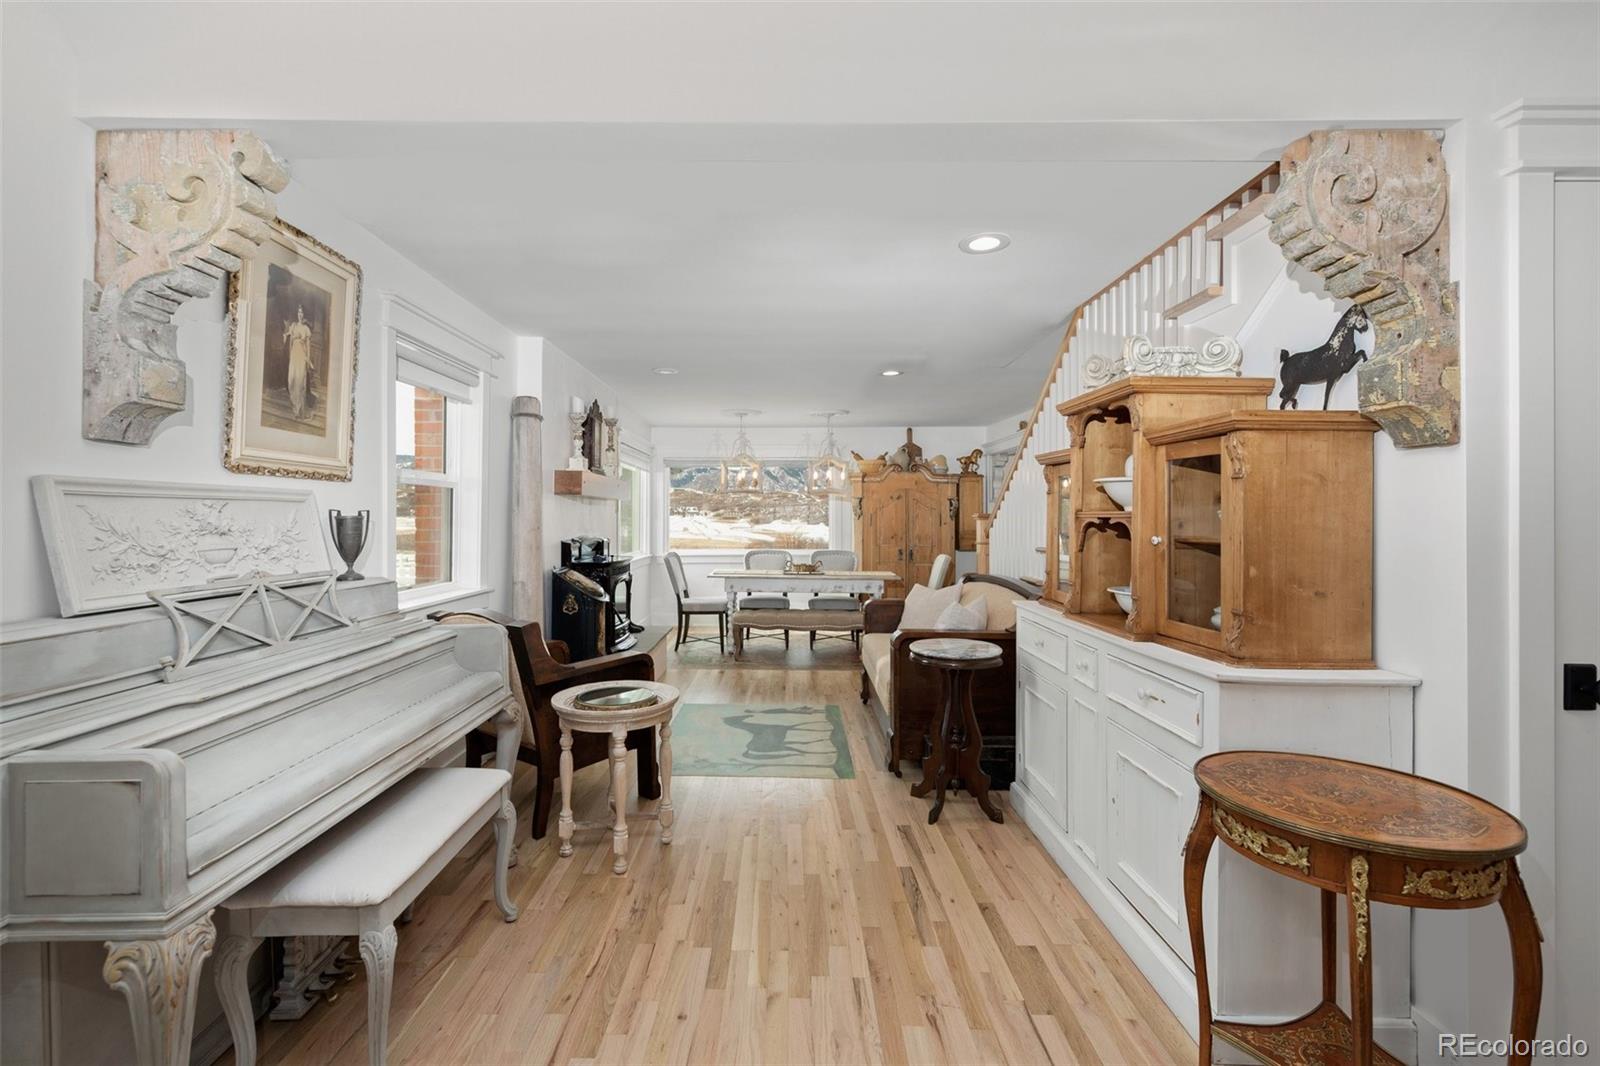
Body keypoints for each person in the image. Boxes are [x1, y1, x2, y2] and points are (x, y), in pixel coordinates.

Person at [282, 305, 314, 419]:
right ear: (297, 314)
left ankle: (298, 411)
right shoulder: (293, 326)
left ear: (304, 315)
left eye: (302, 312)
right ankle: (294, 406)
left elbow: (308, 346)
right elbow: (288, 335)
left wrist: (308, 360)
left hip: (302, 356)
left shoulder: (306, 329)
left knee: (300, 383)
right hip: (294, 356)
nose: (300, 314)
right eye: (299, 312)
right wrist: (285, 335)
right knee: (291, 381)